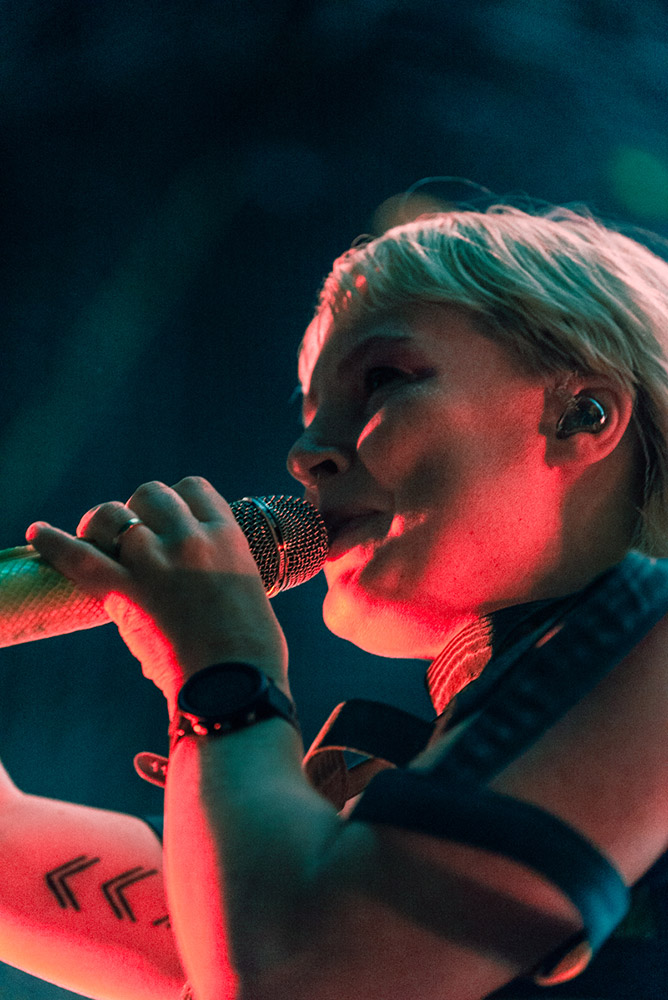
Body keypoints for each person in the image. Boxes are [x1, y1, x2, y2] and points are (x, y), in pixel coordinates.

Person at [6, 204, 668, 1000]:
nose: (307, 455)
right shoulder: (354, 848)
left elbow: (300, 973)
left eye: (384, 379)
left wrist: (223, 670)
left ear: (580, 415)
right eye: (312, 415)